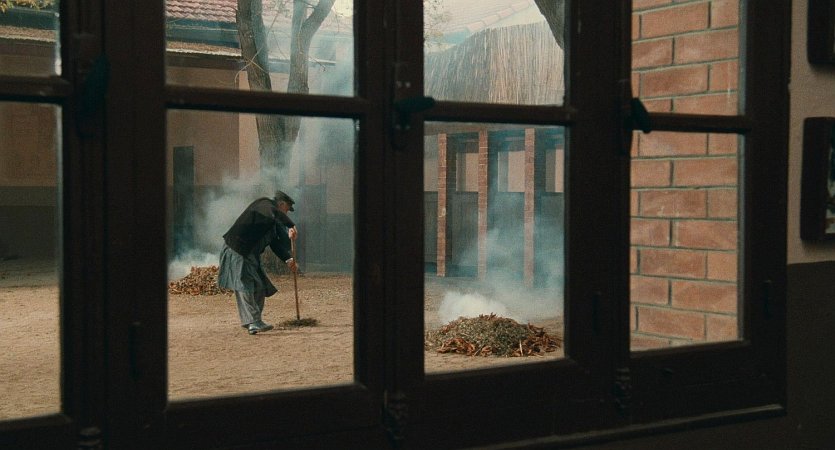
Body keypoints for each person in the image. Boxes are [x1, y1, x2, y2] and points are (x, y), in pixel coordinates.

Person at [218, 190, 299, 334]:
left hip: (250, 254)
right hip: (237, 250)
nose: (287, 213)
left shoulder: (273, 220)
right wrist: (291, 225)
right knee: (245, 285)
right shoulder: (264, 204)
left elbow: (276, 244)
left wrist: (288, 259)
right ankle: (253, 322)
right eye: (287, 209)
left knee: (260, 286)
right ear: (281, 204)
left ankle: (254, 321)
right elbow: (274, 212)